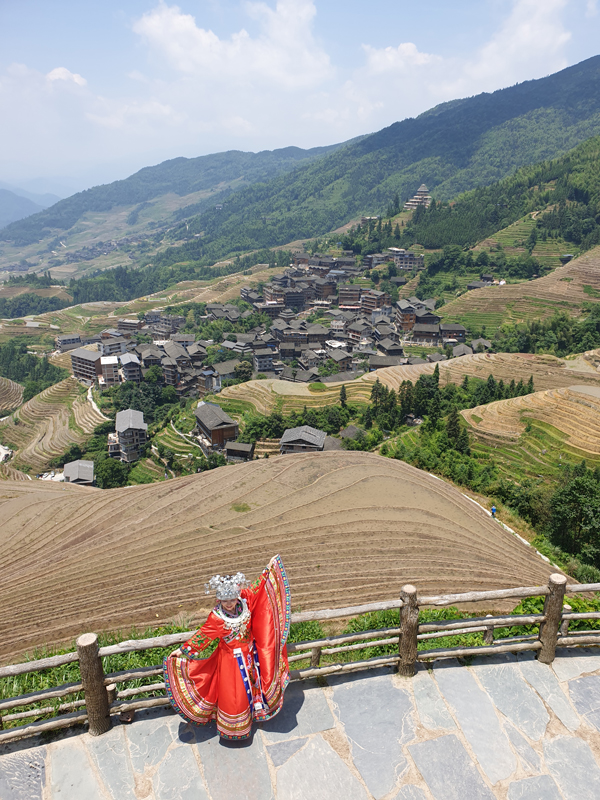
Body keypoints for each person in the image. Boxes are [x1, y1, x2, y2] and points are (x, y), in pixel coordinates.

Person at [163, 554, 291, 740]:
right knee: (235, 694)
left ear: (237, 595)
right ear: (219, 600)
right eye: (225, 601)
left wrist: (268, 570)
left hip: (250, 655)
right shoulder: (217, 618)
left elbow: (256, 588)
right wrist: (183, 651)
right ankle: (236, 728)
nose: (229, 604)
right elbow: (203, 636)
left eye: (232, 599)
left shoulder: (244, 601)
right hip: (230, 662)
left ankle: (254, 713)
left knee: (253, 686)